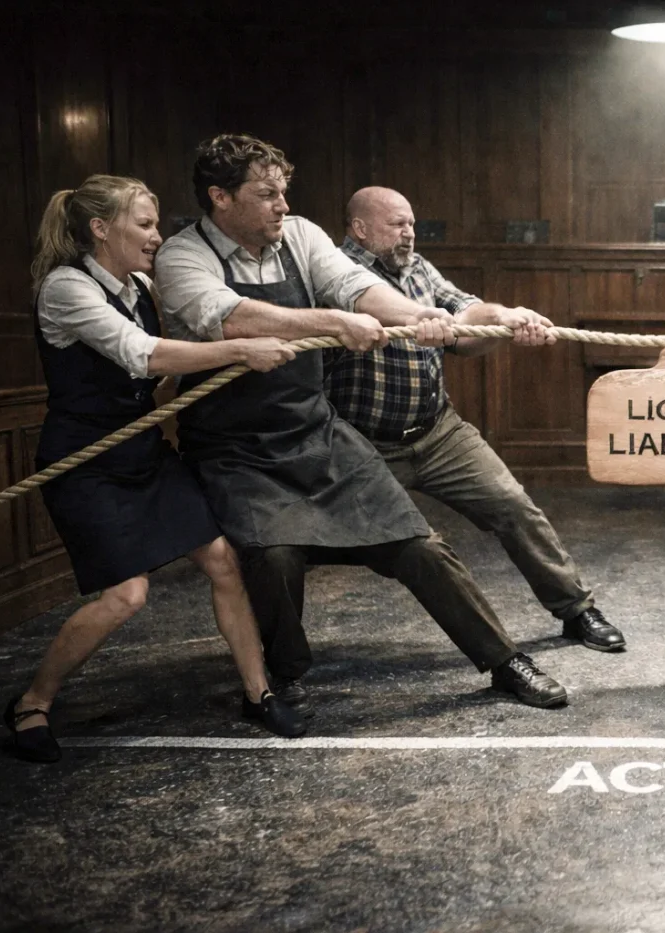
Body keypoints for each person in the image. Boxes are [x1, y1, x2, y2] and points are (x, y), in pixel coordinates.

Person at [154, 135, 568, 711]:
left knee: (421, 546)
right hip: (235, 448)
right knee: (273, 559)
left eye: (283, 192)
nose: (281, 205)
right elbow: (229, 317)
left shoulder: (300, 235)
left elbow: (357, 287)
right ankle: (285, 675)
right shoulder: (181, 256)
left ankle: (503, 659)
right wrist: (331, 321)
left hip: (314, 431)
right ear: (220, 197)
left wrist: (423, 316)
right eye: (266, 193)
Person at [4, 175, 306, 763]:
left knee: (223, 560)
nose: (156, 235)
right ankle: (32, 701)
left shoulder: (141, 284)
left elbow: (162, 367)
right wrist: (242, 349)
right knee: (127, 595)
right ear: (100, 229)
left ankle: (258, 691)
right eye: (143, 224)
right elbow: (143, 356)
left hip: (141, 449)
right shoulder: (65, 288)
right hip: (85, 461)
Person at [325, 186, 625, 652]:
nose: (409, 233)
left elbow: (467, 320)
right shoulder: (332, 273)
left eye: (411, 223)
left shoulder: (418, 267)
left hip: (436, 430)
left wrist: (506, 318)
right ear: (359, 228)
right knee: (323, 543)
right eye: (397, 224)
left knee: (513, 507)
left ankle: (576, 609)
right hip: (362, 444)